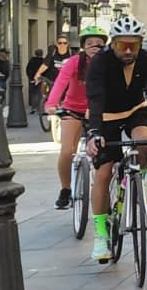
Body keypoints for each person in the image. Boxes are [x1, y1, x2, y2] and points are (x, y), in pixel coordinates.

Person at [86, 16, 147, 263]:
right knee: (104, 173)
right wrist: (94, 133)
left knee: (144, 141)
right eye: (122, 45)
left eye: (133, 46)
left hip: (135, 110)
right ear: (112, 43)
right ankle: (101, 235)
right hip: (105, 116)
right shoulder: (100, 63)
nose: (128, 51)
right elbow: (94, 99)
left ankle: (141, 178)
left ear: (140, 44)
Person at [45, 25, 107, 208]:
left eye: (99, 44)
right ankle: (65, 189)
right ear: (83, 46)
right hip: (72, 109)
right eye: (90, 44)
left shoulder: (109, 63)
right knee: (66, 151)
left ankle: (104, 189)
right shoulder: (73, 62)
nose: (95, 47)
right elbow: (60, 83)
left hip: (98, 111)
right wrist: (51, 104)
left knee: (105, 151)